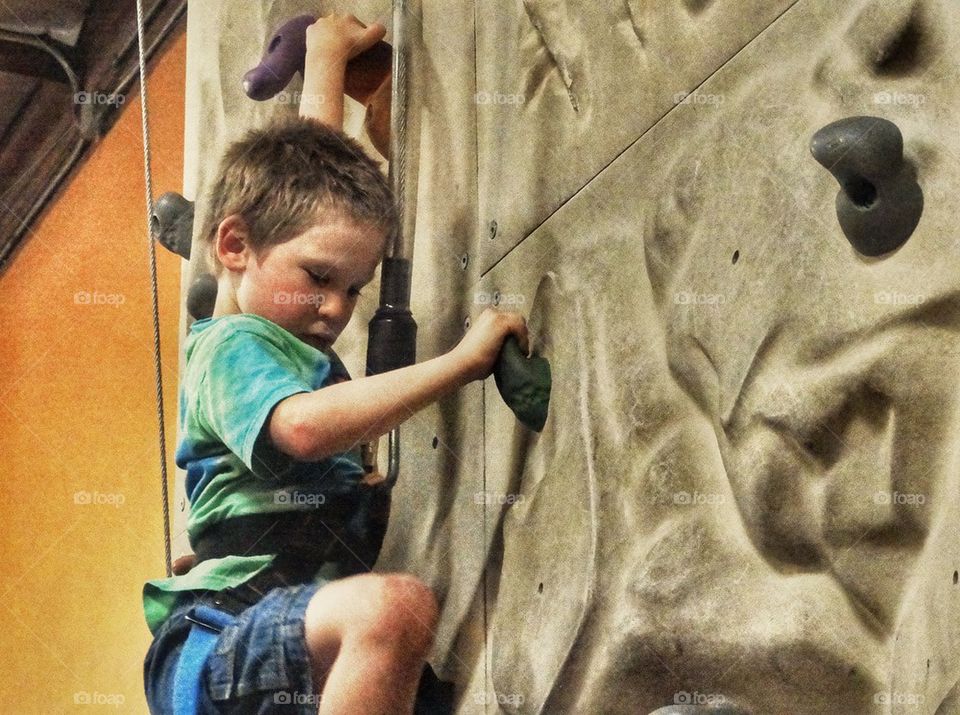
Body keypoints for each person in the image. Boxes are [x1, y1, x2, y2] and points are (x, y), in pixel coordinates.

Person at [142, 13, 529, 714]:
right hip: (219, 636)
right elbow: (302, 430)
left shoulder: (279, 323)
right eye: (320, 278)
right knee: (393, 611)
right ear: (232, 246)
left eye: (354, 288)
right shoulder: (234, 345)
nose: (335, 307)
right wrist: (461, 363)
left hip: (277, 636)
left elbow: (306, 187)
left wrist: (325, 57)